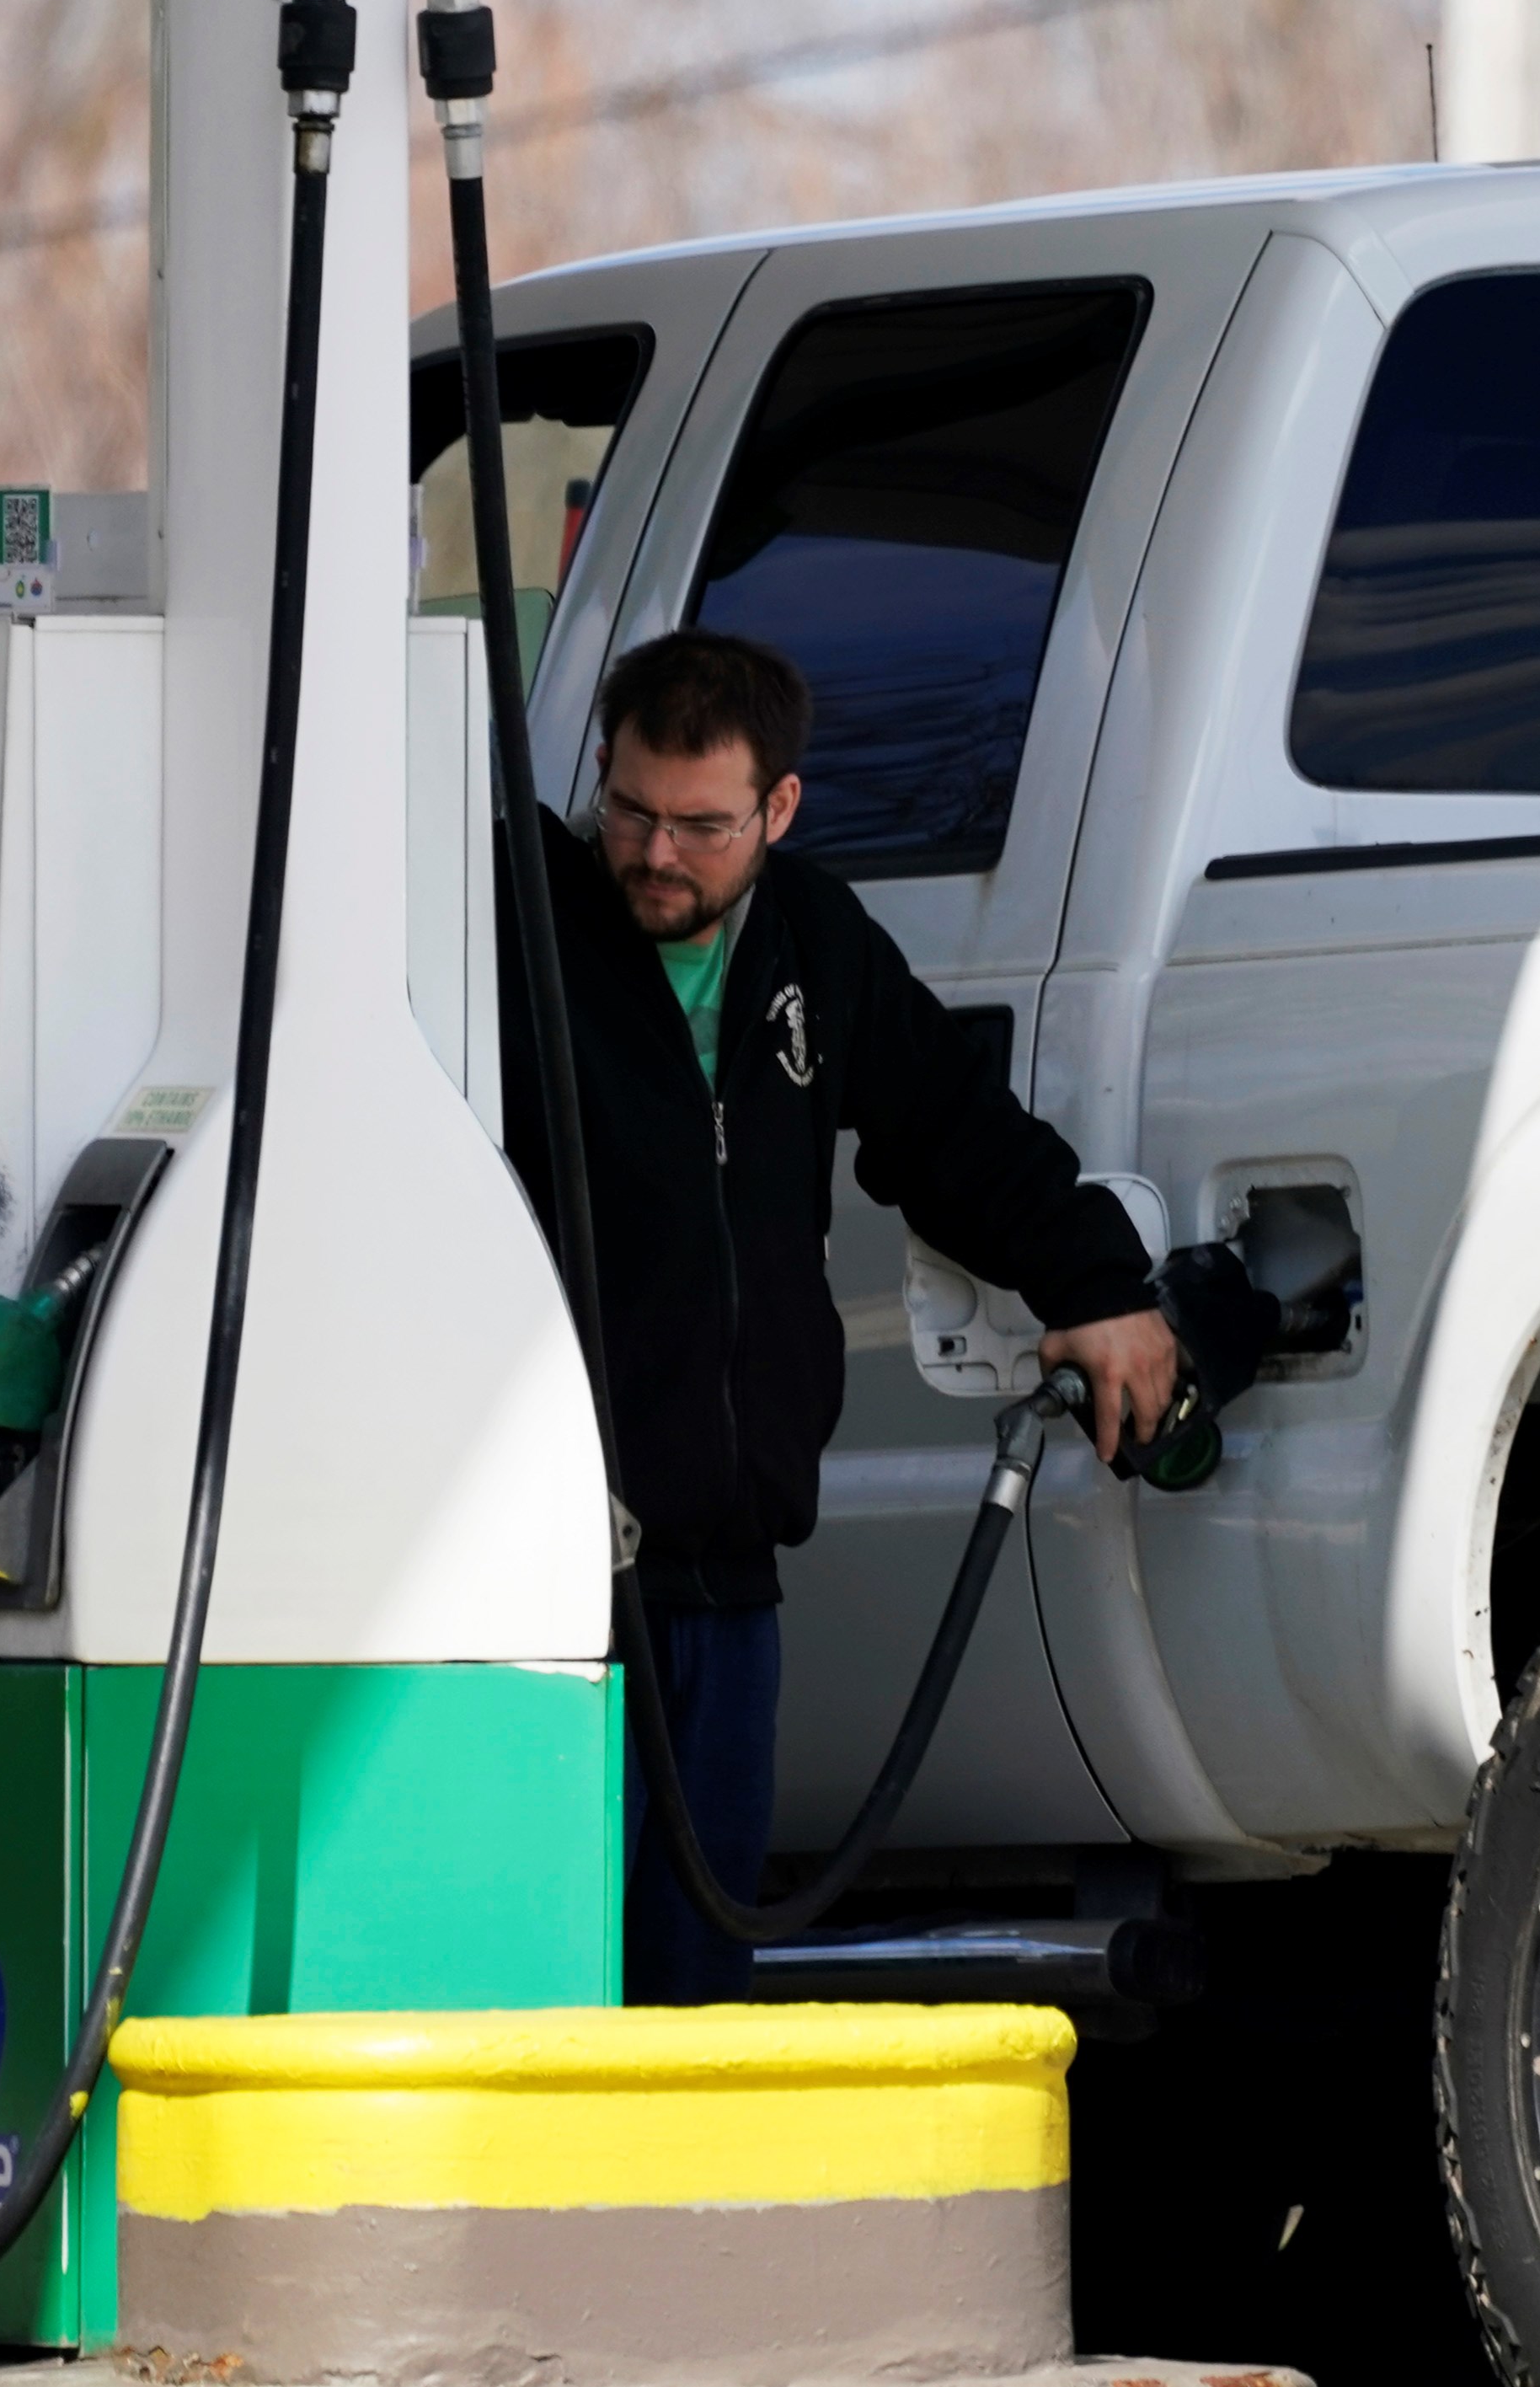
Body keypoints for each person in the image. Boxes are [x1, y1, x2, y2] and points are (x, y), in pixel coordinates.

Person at [500, 628, 1179, 2002]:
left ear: (781, 808)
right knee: (553, 1994)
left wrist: (1101, 1285)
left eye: (701, 826)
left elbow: (954, 1128)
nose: (656, 856)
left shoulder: (815, 937)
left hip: (734, 1577)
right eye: (630, 809)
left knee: (700, 2008)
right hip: (549, 1591)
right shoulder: (510, 923)